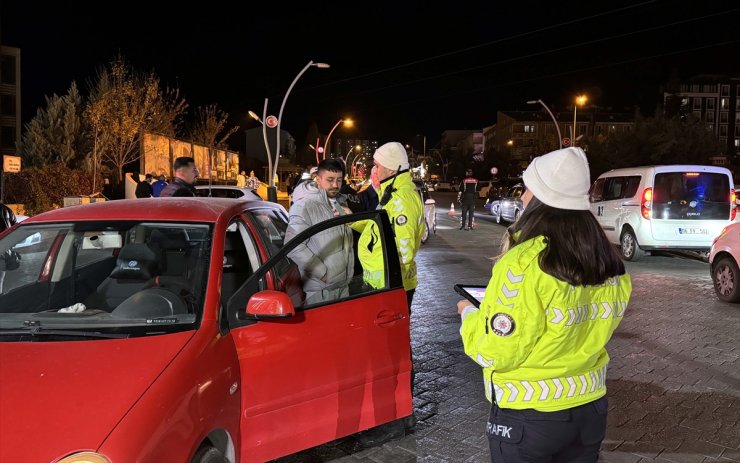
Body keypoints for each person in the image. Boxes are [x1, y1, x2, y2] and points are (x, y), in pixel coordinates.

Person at [457, 147, 632, 463]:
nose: (522, 198)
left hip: (529, 415)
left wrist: (470, 315)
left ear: (540, 199)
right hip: (589, 408)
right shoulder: (607, 260)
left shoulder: (524, 264)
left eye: (527, 189)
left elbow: (495, 352)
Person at [354, 142, 424, 307]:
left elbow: (404, 248)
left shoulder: (401, 200)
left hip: (389, 285)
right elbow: (378, 228)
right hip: (383, 283)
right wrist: (348, 219)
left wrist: (392, 284)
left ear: (392, 170)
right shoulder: (391, 193)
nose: (374, 170)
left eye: (377, 165)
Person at [285, 159, 354, 305]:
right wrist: (323, 274)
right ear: (318, 179)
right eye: (330, 180)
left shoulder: (341, 202)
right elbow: (293, 246)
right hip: (321, 291)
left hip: (343, 286)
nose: (335, 185)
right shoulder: (304, 205)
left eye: (339, 180)